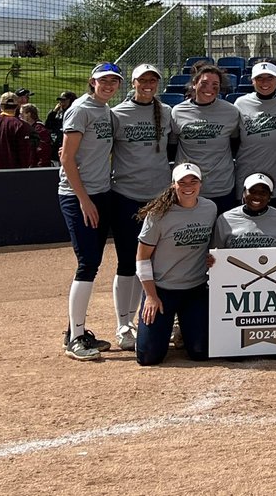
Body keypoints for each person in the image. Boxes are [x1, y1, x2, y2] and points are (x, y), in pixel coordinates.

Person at [58, 61, 124, 361]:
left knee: (92, 262)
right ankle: (75, 337)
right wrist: (84, 199)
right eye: (103, 81)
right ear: (92, 82)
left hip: (101, 193)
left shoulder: (106, 111)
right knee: (87, 263)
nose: (109, 85)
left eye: (114, 81)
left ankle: (75, 331)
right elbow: (67, 158)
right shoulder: (80, 109)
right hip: (78, 196)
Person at [108, 63, 174, 350]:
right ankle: (124, 324)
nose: (148, 84)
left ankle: (158, 319)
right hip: (126, 196)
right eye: (142, 80)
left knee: (158, 263)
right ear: (132, 84)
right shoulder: (117, 114)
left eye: (153, 80)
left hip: (159, 200)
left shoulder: (167, 113)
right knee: (128, 262)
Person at [134, 162, 217, 365]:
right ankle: (155, 331)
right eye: (182, 182)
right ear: (173, 185)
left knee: (201, 352)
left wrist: (213, 258)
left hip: (195, 290)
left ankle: (182, 329)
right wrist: (151, 297)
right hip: (162, 291)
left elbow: (212, 245)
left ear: (201, 184)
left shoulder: (210, 208)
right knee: (148, 357)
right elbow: (142, 258)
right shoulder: (158, 215)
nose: (188, 186)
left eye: (193, 181)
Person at [171, 62, 241, 214]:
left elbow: (235, 142)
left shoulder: (231, 112)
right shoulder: (178, 112)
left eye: (215, 84)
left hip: (221, 187)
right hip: (189, 189)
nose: (209, 88)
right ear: (194, 84)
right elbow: (172, 145)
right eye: (204, 83)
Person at [234, 61, 276, 209]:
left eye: (269, 77)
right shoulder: (241, 103)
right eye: (259, 78)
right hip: (247, 177)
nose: (264, 82)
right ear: (252, 81)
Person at [214, 171, 276, 248]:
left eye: (263, 193)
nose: (257, 196)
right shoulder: (225, 219)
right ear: (243, 193)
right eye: (252, 191)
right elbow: (216, 253)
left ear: (270, 197)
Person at [0, 91, 35, 169]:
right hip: (15, 173)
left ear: (0, 106)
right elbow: (25, 154)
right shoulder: (21, 125)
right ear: (17, 106)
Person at [45, 91, 78, 162]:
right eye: (60, 101)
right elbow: (48, 126)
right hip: (56, 151)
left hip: (71, 152)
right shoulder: (58, 114)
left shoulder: (76, 115)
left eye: (64, 101)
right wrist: (53, 112)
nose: (61, 103)